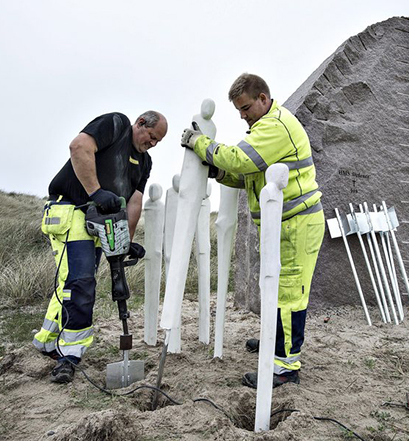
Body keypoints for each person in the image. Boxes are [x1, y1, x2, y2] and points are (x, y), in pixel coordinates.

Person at [181, 73, 325, 388]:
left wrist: (199, 143)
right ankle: (275, 342)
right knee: (273, 287)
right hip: (282, 225)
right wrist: (219, 171)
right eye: (239, 111)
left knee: (289, 294)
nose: (242, 115)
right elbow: (247, 174)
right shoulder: (265, 127)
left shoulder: (275, 126)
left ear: (262, 98)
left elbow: (241, 159)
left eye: (245, 108)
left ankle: (285, 367)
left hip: (296, 224)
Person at [33, 110, 168, 383]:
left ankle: (46, 340)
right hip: (72, 209)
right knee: (80, 283)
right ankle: (68, 355)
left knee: (71, 283)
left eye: (158, 142)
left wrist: (125, 243)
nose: (153, 143)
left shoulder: (144, 161)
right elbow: (79, 146)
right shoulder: (115, 125)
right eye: (152, 137)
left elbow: (134, 200)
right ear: (141, 123)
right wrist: (95, 191)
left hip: (99, 221)